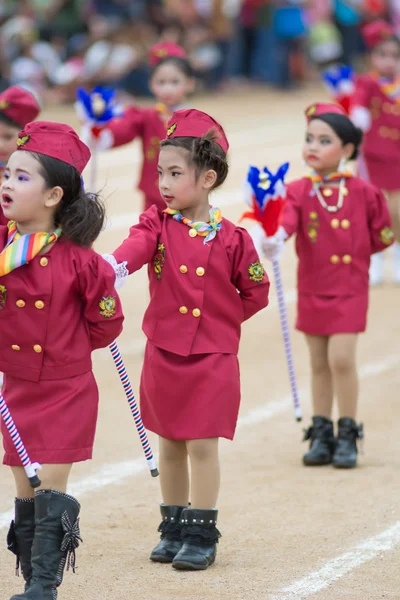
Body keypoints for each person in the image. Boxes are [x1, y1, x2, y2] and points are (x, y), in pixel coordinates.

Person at [107, 109, 269, 570]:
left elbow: (255, 291)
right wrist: (112, 270)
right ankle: (173, 525)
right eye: (161, 173)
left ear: (208, 177)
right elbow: (134, 249)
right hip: (165, 352)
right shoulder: (156, 224)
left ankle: (201, 530)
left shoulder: (235, 237)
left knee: (202, 443)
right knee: (170, 442)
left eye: (175, 173)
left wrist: (221, 322)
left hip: (213, 357)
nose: (163, 183)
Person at [1, 121, 124, 599]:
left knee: (49, 485)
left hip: (65, 386)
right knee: (24, 491)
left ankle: (43, 585)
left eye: (22, 177)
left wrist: (65, 346)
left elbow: (106, 324)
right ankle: (33, 576)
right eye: (7, 173)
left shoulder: (82, 260)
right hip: (16, 387)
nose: (7, 183)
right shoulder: (5, 249)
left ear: (54, 196)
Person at [263, 102, 393, 469]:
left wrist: (359, 251)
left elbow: (382, 235)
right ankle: (321, 432)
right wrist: (276, 238)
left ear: (348, 150)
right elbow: (286, 222)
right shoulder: (298, 190)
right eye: (309, 139)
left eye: (324, 140)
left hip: (350, 287)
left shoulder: (364, 191)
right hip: (313, 286)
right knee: (319, 362)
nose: (313, 146)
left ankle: (348, 431)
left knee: (341, 358)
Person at [85, 41, 195, 213]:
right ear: (151, 84)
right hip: (154, 196)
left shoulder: (196, 120)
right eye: (161, 82)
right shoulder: (146, 117)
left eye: (174, 82)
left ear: (189, 83)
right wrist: (99, 130)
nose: (167, 89)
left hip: (188, 196)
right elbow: (122, 130)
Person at [350, 20, 400, 284]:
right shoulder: (367, 83)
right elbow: (358, 99)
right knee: (374, 211)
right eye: (382, 55)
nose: (388, 61)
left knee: (398, 210)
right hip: (374, 157)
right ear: (372, 57)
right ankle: (377, 257)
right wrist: (358, 115)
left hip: (399, 158)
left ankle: (398, 254)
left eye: (394, 55)